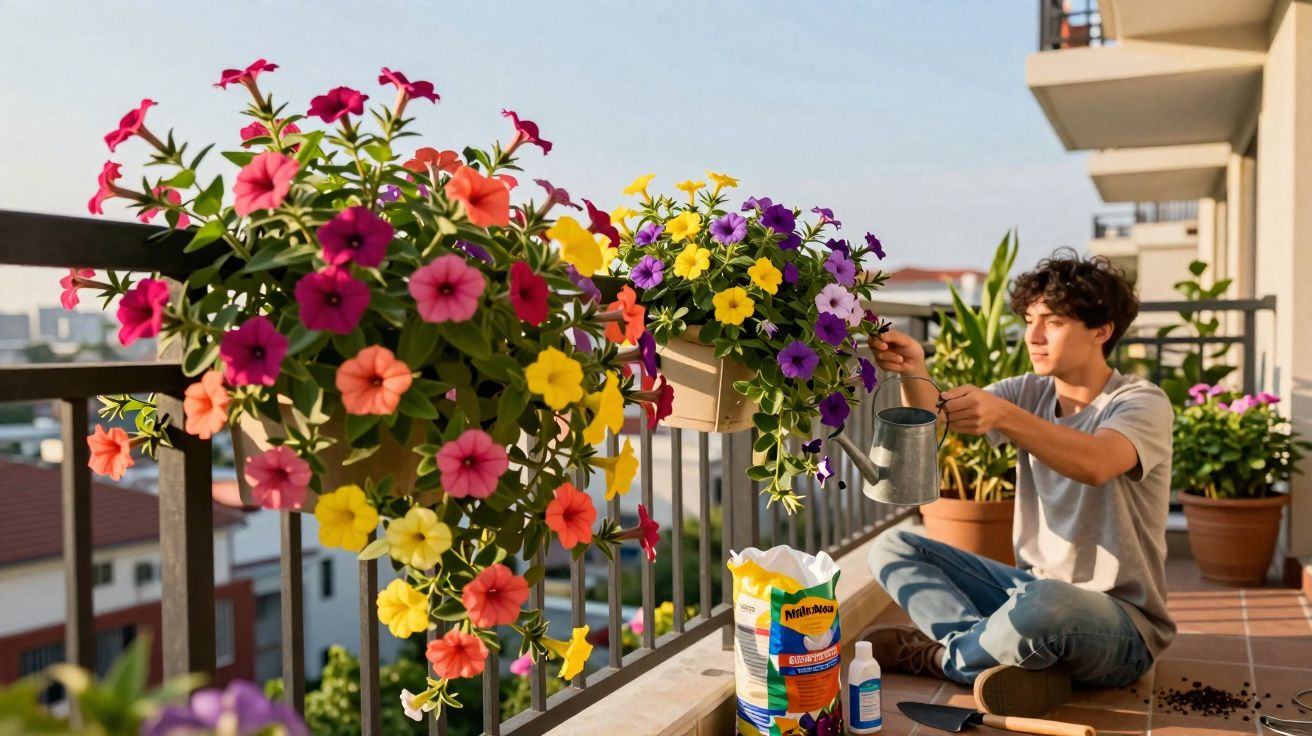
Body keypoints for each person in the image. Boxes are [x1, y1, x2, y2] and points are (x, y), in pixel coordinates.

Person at [861, 251, 1175, 718]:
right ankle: (1005, 658)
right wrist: (913, 373)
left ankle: (944, 657)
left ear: (1102, 330)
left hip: (1122, 625)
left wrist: (1006, 416)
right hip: (1028, 591)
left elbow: (1096, 462)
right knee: (891, 546)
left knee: (1045, 605)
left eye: (1052, 321)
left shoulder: (1139, 402)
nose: (1033, 335)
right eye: (1029, 319)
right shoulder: (1029, 391)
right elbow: (938, 415)